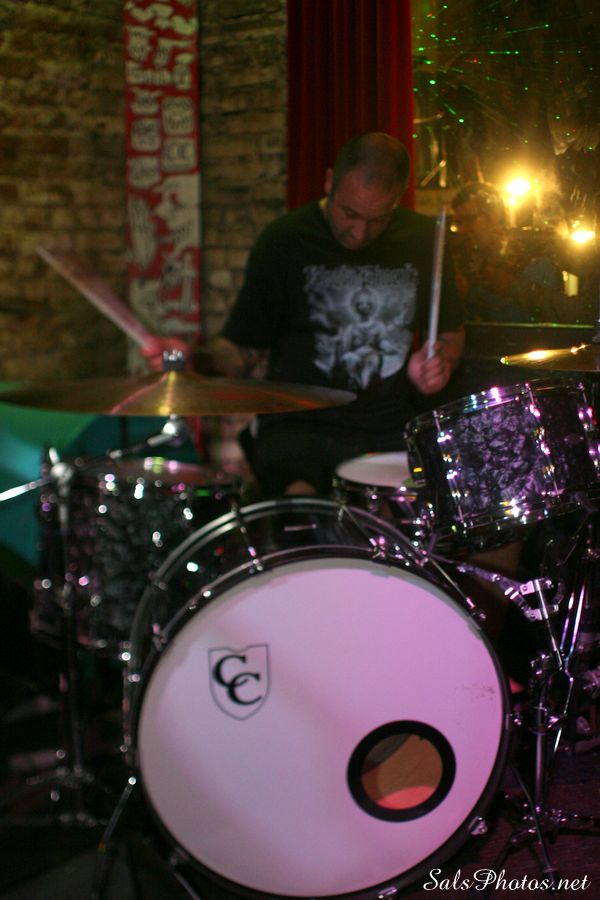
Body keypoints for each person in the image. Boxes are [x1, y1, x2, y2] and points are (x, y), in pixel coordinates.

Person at [143, 132, 464, 497]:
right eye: (350, 213)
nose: (360, 233)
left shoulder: (424, 239)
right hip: (299, 429)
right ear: (329, 182)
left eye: (379, 219)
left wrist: (440, 360)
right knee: (304, 512)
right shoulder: (285, 240)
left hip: (389, 427)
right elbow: (243, 348)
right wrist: (194, 358)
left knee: (409, 516)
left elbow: (451, 332)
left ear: (399, 197)